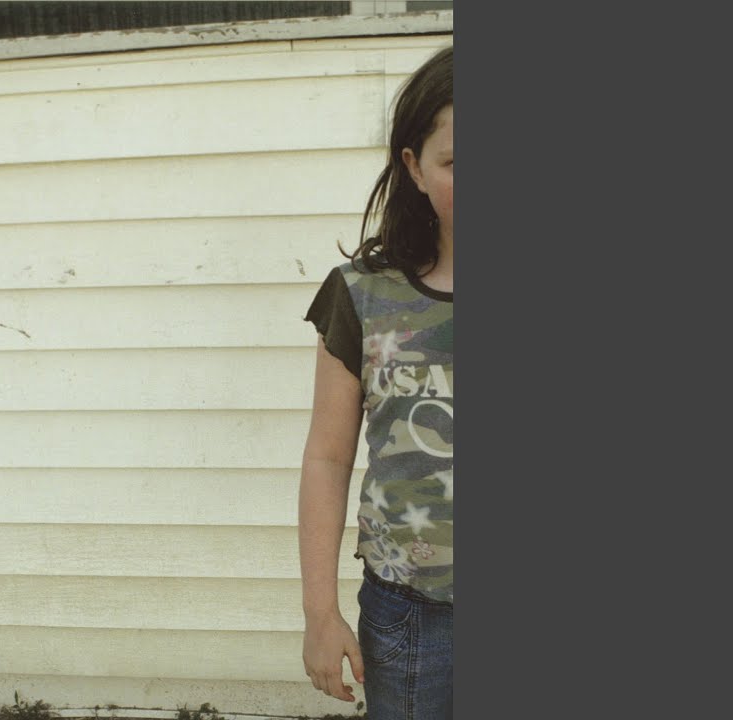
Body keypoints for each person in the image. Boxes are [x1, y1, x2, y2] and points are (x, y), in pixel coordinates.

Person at [298, 45, 453, 719]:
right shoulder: (363, 295)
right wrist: (319, 612)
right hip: (409, 616)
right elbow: (328, 458)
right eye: (457, 163)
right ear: (414, 167)